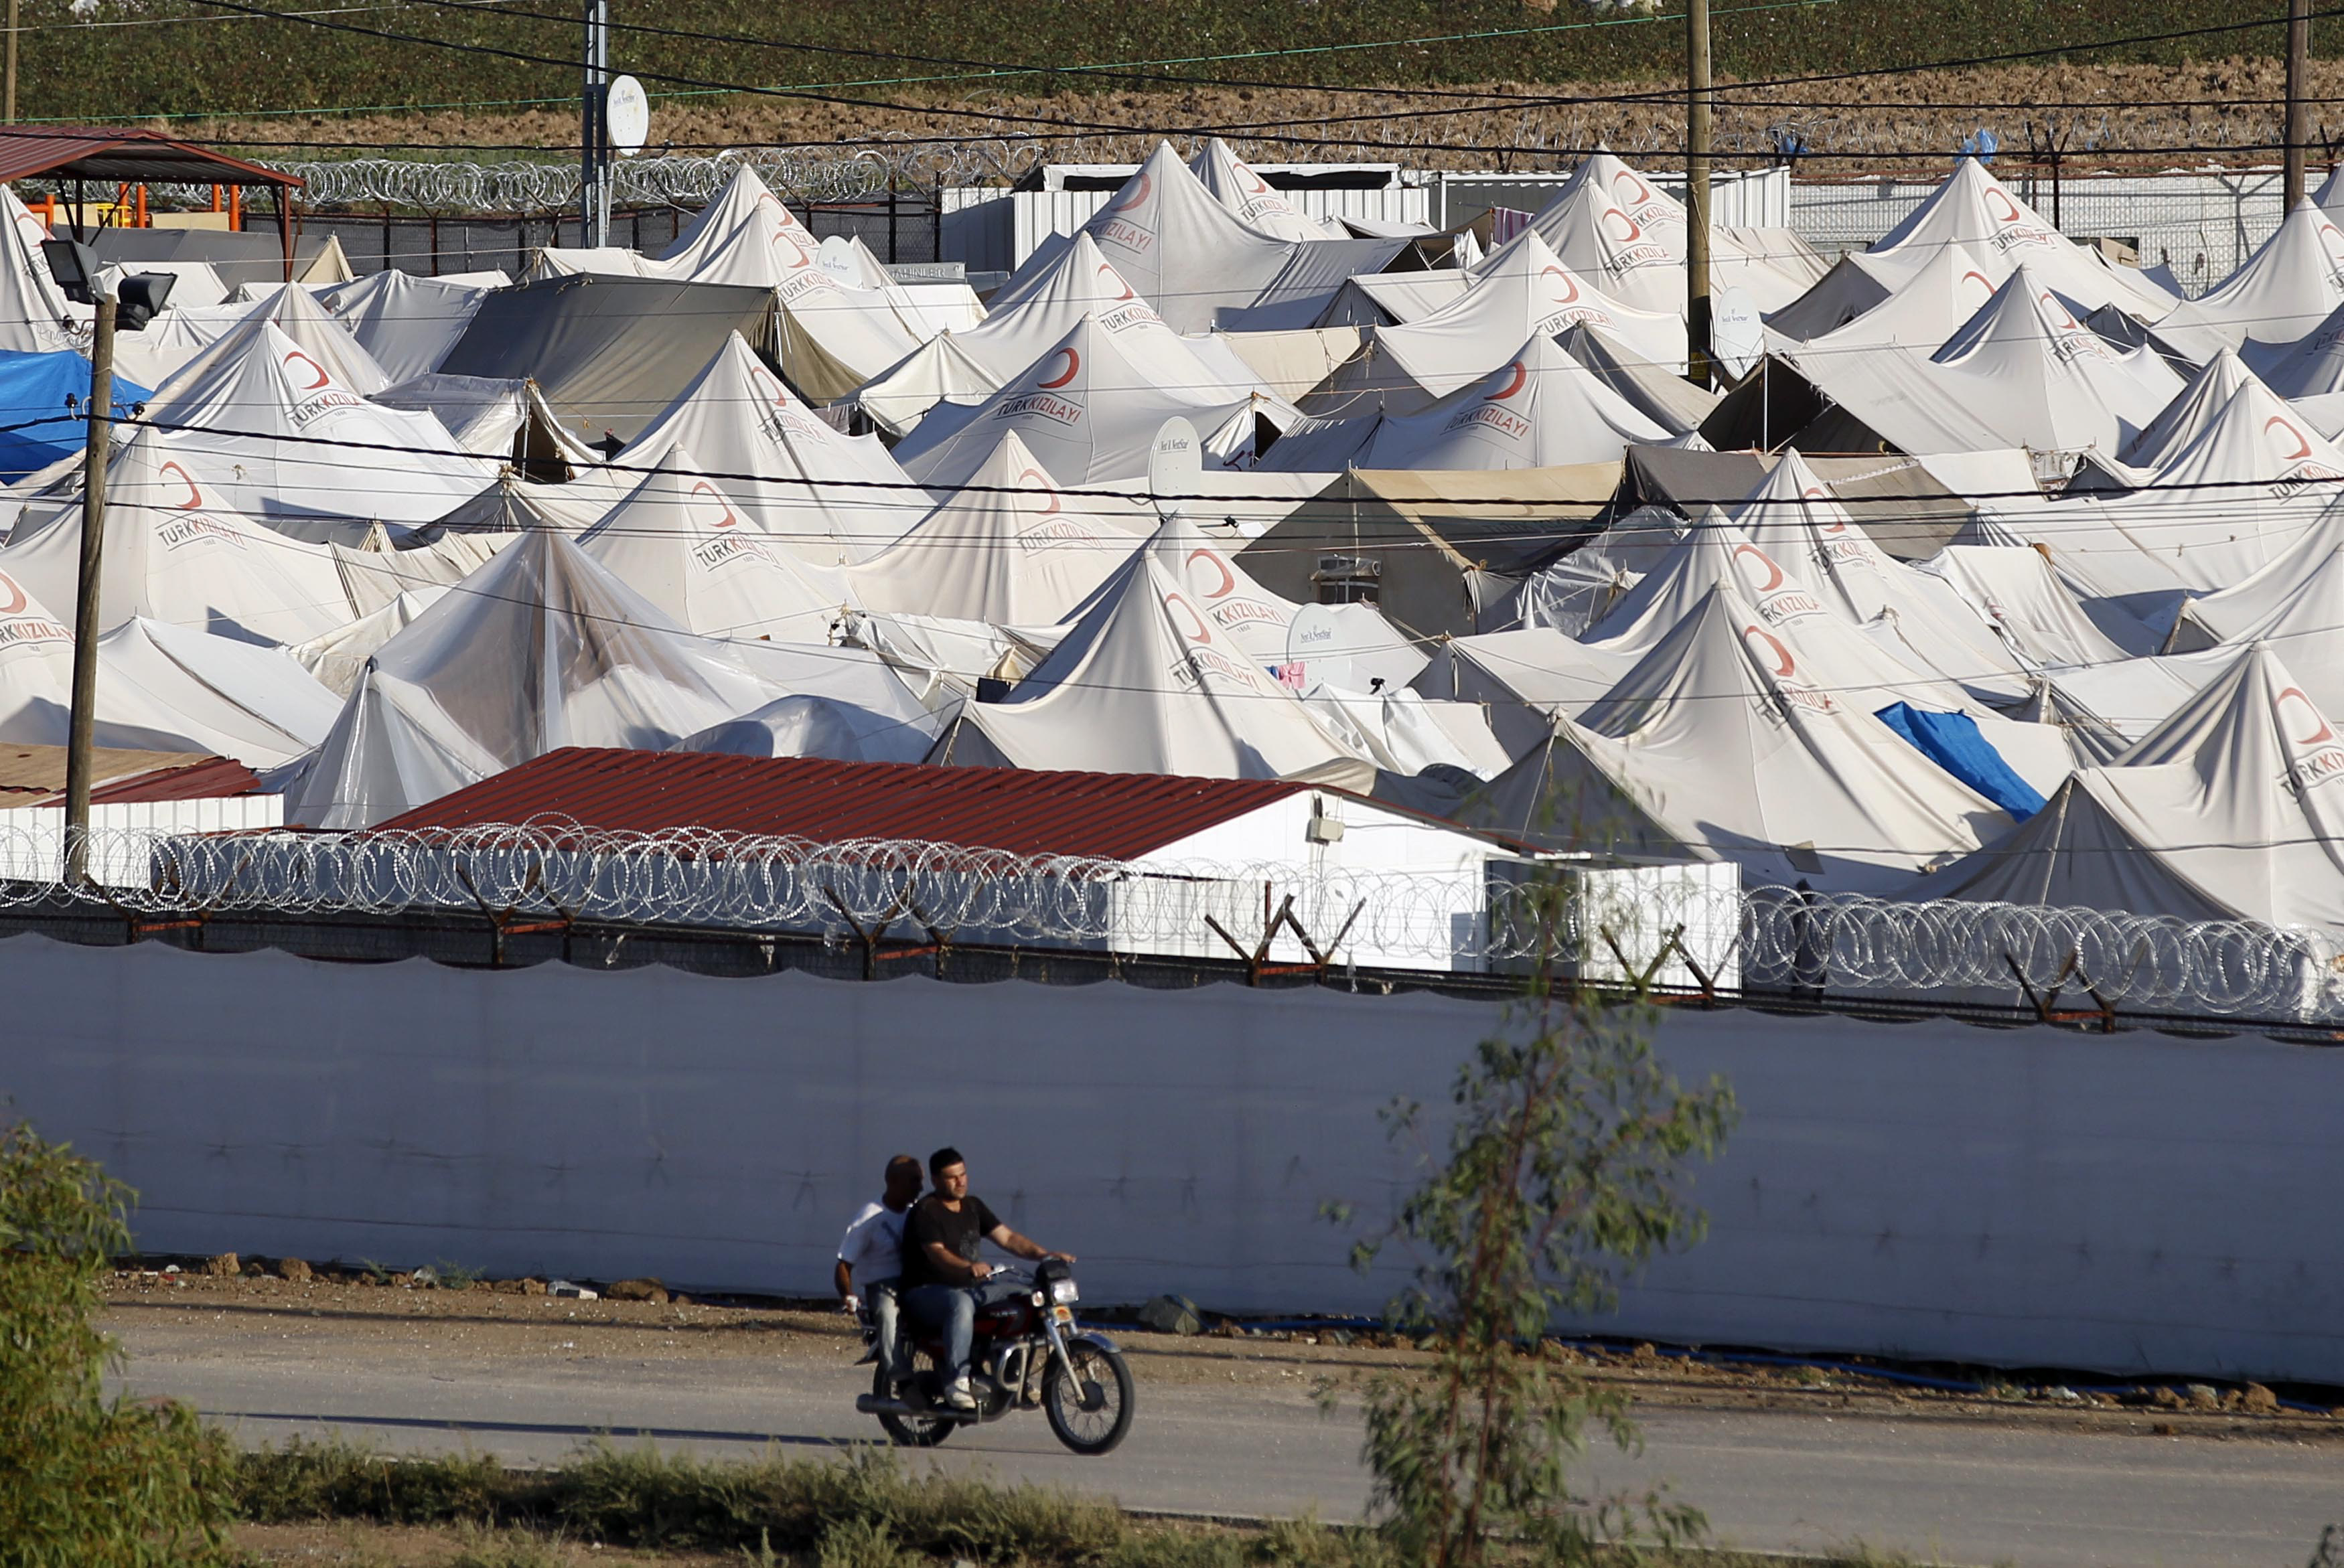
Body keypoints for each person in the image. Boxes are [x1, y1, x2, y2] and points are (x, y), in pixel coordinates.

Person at [899, 1146, 1074, 1411]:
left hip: (971, 1288)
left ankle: (1016, 1376)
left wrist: (1045, 1255)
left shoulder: (973, 1206)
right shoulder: (926, 1211)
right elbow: (936, 1254)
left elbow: (1008, 1238)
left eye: (963, 1174)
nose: (961, 1182)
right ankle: (956, 1380)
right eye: (952, 1177)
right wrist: (968, 1266)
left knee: (1029, 1296)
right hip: (926, 1292)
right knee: (960, 1304)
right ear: (935, 1180)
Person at [834, 1154, 924, 1384]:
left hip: (914, 1280)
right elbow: (844, 1263)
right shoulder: (869, 1218)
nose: (920, 1188)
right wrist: (848, 1294)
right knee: (887, 1309)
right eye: (914, 1181)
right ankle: (895, 1369)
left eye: (921, 1181)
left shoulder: (918, 1212)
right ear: (893, 1181)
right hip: (882, 1285)